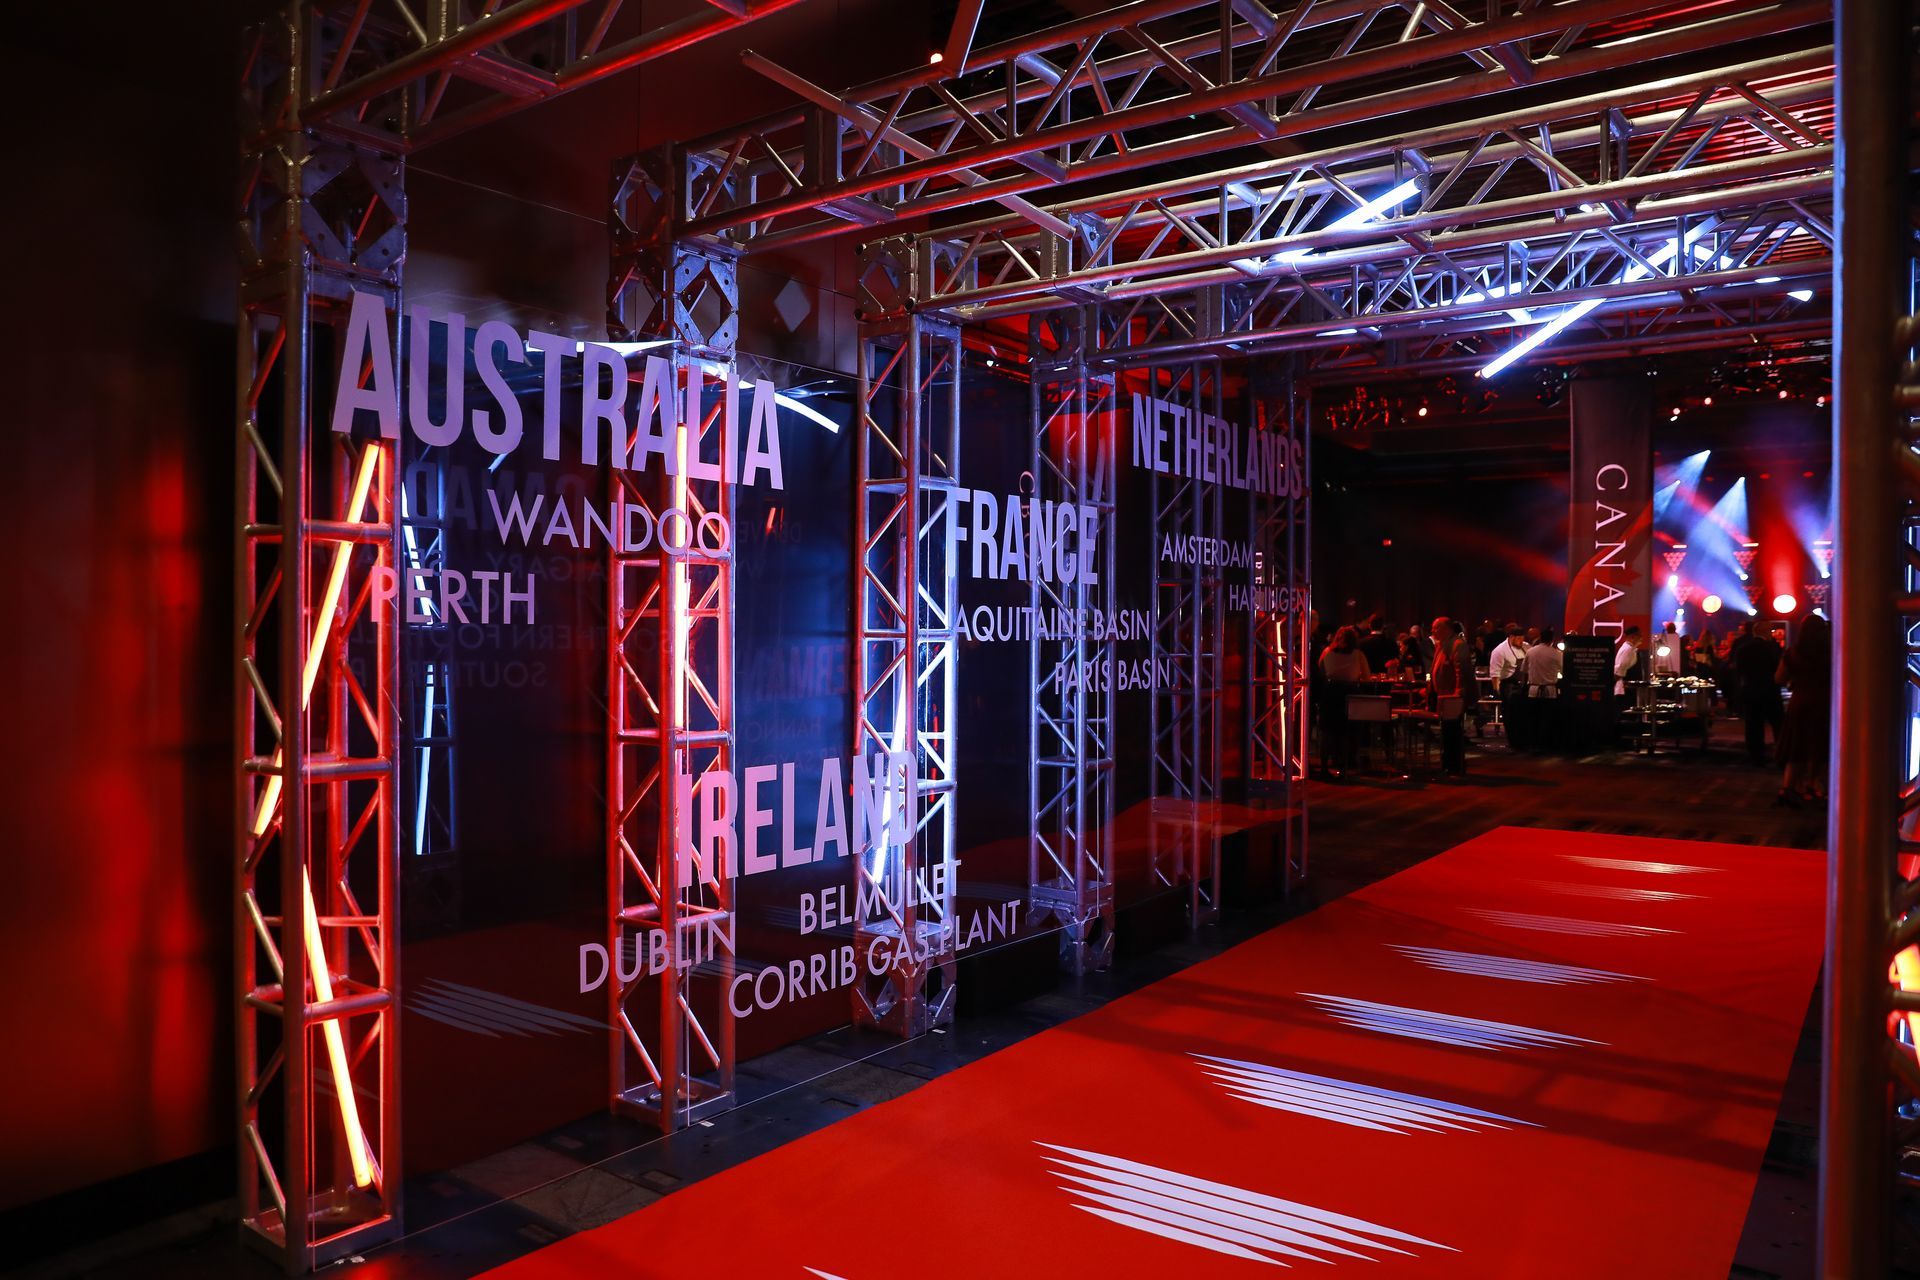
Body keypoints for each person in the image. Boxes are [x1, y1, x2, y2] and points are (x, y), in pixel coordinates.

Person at [1776, 614, 1831, 805]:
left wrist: (1795, 680)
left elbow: (1779, 678)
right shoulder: (1832, 651)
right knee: (1821, 747)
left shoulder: (1794, 652)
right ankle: (1817, 787)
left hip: (1800, 703)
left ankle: (1789, 787)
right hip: (1825, 703)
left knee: (1797, 747)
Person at [1318, 626, 1371, 777]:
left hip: (1330, 693)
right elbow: (1367, 677)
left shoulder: (1327, 652)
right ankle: (1345, 764)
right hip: (1350, 692)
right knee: (1348, 730)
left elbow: (1321, 670)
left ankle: (1324, 765)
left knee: (1327, 730)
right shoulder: (1358, 654)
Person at [1730, 619, 1785, 766]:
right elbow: (1779, 668)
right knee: (1777, 724)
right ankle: (1781, 755)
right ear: (1766, 632)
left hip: (1750, 690)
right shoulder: (1772, 648)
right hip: (1770, 690)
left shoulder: (1743, 648)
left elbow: (1738, 669)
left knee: (1753, 724)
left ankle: (1755, 755)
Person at [1429, 615, 1467, 778]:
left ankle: (1453, 767)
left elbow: (1461, 672)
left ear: (1447, 629)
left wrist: (1457, 694)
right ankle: (1449, 766)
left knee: (1452, 733)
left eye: (1436, 627)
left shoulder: (1457, 645)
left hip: (1452, 698)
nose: (1432, 631)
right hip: (1444, 696)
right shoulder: (1442, 645)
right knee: (1447, 732)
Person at [1524, 625, 1564, 752]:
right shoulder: (1556, 654)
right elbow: (1564, 671)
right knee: (1547, 719)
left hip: (1533, 690)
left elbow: (1524, 670)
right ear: (1552, 640)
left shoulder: (1530, 651)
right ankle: (1546, 744)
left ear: (1540, 638)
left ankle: (1532, 744)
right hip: (1550, 691)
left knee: (1533, 719)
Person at [1488, 624, 1529, 748]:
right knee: (1510, 715)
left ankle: (1523, 739)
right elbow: (1495, 673)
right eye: (1519, 639)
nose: (1521, 641)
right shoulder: (1500, 651)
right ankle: (1512, 741)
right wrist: (1496, 690)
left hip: (1523, 685)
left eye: (1522, 639)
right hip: (1508, 686)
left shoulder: (1526, 647)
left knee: (1522, 714)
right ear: (1511, 637)